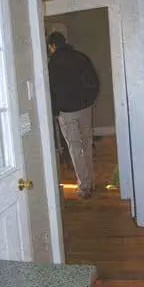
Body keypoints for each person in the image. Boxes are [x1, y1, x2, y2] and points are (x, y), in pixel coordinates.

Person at [47, 32, 100, 199]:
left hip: (66, 112)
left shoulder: (52, 64)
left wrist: (55, 111)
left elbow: (51, 91)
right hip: (85, 107)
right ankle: (90, 181)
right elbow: (95, 82)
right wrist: (89, 100)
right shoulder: (81, 57)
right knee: (86, 143)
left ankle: (84, 186)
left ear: (52, 46)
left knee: (75, 147)